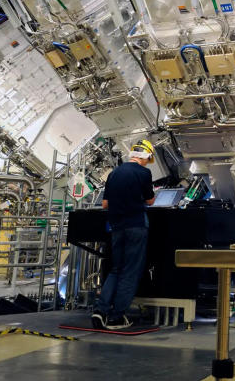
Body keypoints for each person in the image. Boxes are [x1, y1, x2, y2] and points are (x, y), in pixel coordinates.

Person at [91, 140, 156, 329]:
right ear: (145, 156)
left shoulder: (114, 173)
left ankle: (100, 311)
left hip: (116, 227)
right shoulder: (144, 173)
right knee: (130, 272)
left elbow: (105, 204)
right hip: (136, 225)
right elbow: (150, 201)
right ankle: (117, 316)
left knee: (116, 269)